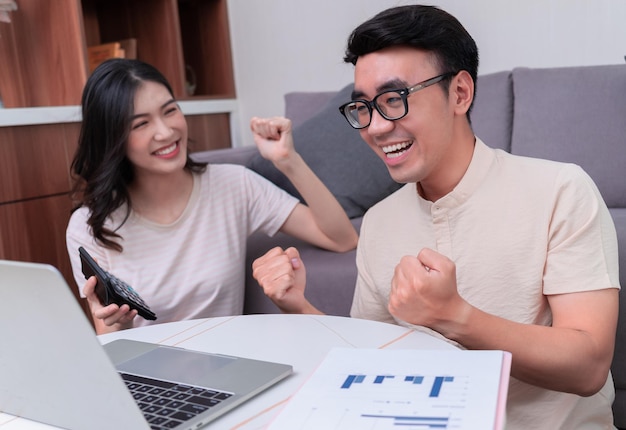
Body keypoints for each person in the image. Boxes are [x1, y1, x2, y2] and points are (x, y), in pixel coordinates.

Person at [251, 5, 620, 429]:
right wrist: (297, 306)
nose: (374, 128)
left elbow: (588, 367)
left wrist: (455, 315)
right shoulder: (379, 221)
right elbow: (369, 356)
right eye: (363, 108)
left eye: (393, 100)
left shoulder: (561, 190)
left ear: (460, 93)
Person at [66, 58, 358, 335]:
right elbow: (110, 340)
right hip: (146, 374)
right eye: (141, 124)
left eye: (170, 110)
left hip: (227, 366)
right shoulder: (89, 226)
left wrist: (287, 160)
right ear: (112, 137)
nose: (166, 132)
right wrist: (118, 325)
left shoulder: (233, 185)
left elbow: (341, 238)